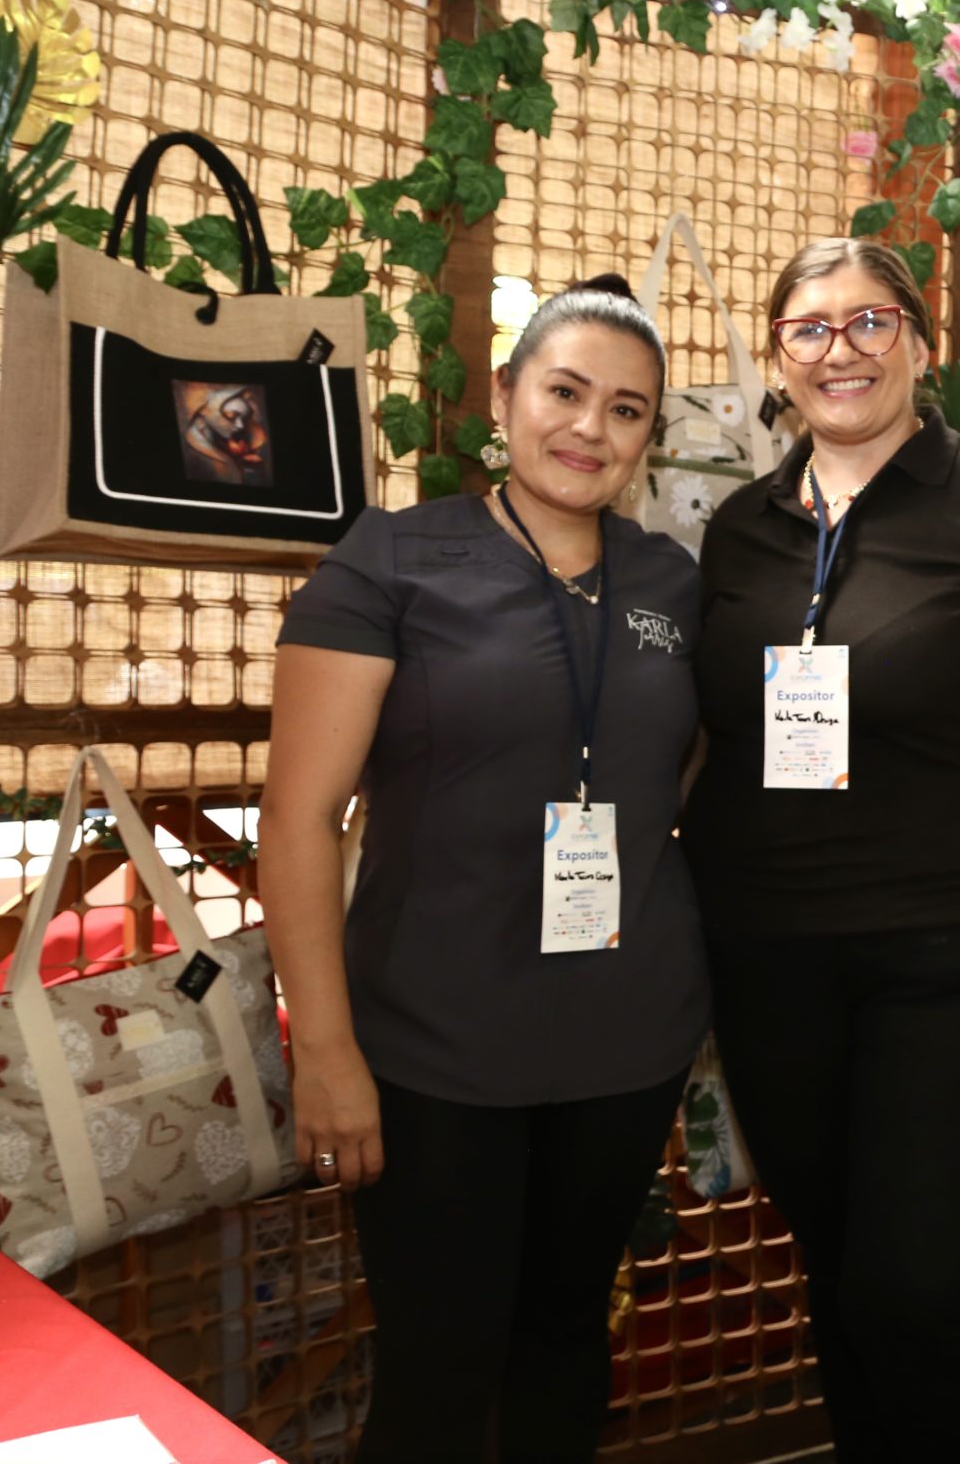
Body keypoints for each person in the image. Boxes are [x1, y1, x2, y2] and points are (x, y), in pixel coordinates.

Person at [682, 238, 960, 1461]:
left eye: (870, 321)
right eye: (810, 328)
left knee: (927, 1286)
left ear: (921, 345)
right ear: (779, 359)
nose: (841, 350)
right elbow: (707, 734)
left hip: (957, 961)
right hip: (770, 959)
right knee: (840, 1271)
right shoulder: (743, 529)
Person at [261, 275, 706, 1463]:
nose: (589, 428)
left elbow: (679, 778)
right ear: (504, 398)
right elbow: (297, 820)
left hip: (624, 1041)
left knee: (565, 1349)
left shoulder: (671, 583)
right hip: (431, 1047)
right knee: (439, 1374)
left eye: (625, 410)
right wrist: (325, 1050)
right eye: (564, 392)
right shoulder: (393, 559)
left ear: (648, 438)